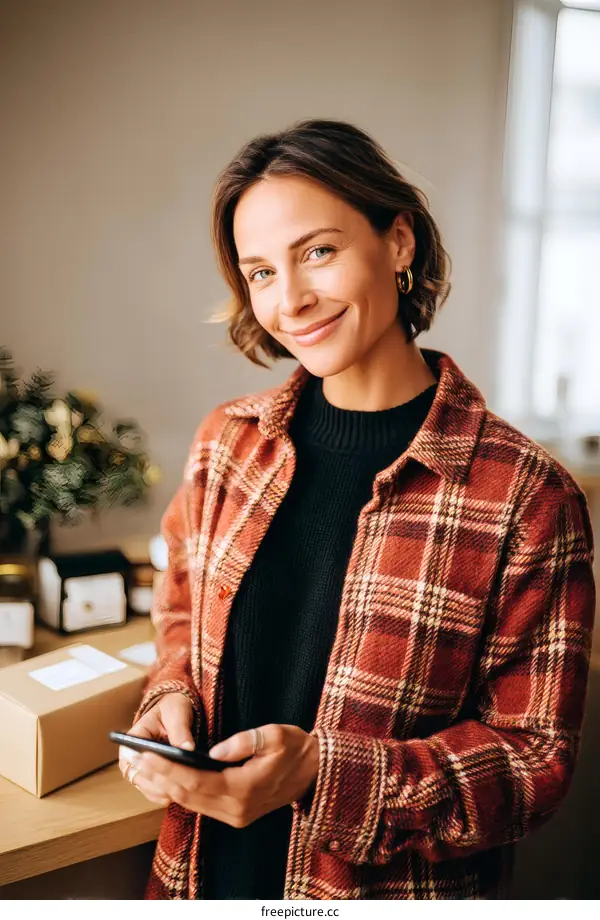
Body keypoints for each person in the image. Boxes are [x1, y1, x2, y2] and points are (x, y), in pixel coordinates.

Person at [119, 119, 596, 900]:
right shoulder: (227, 444)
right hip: (199, 880)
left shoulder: (524, 497)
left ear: (399, 242)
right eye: (261, 272)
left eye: (318, 251)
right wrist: (170, 696)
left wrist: (322, 775)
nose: (292, 299)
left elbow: (534, 762)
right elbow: (178, 611)